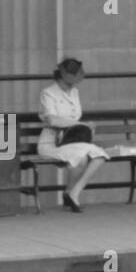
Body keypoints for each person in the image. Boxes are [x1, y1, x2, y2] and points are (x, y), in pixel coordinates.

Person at [38, 58, 108, 212]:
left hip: (72, 140)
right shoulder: (48, 93)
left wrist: (85, 128)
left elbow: (75, 116)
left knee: (99, 155)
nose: (75, 80)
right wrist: (81, 125)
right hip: (52, 143)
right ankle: (70, 195)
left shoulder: (75, 92)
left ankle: (73, 192)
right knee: (80, 158)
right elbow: (52, 119)